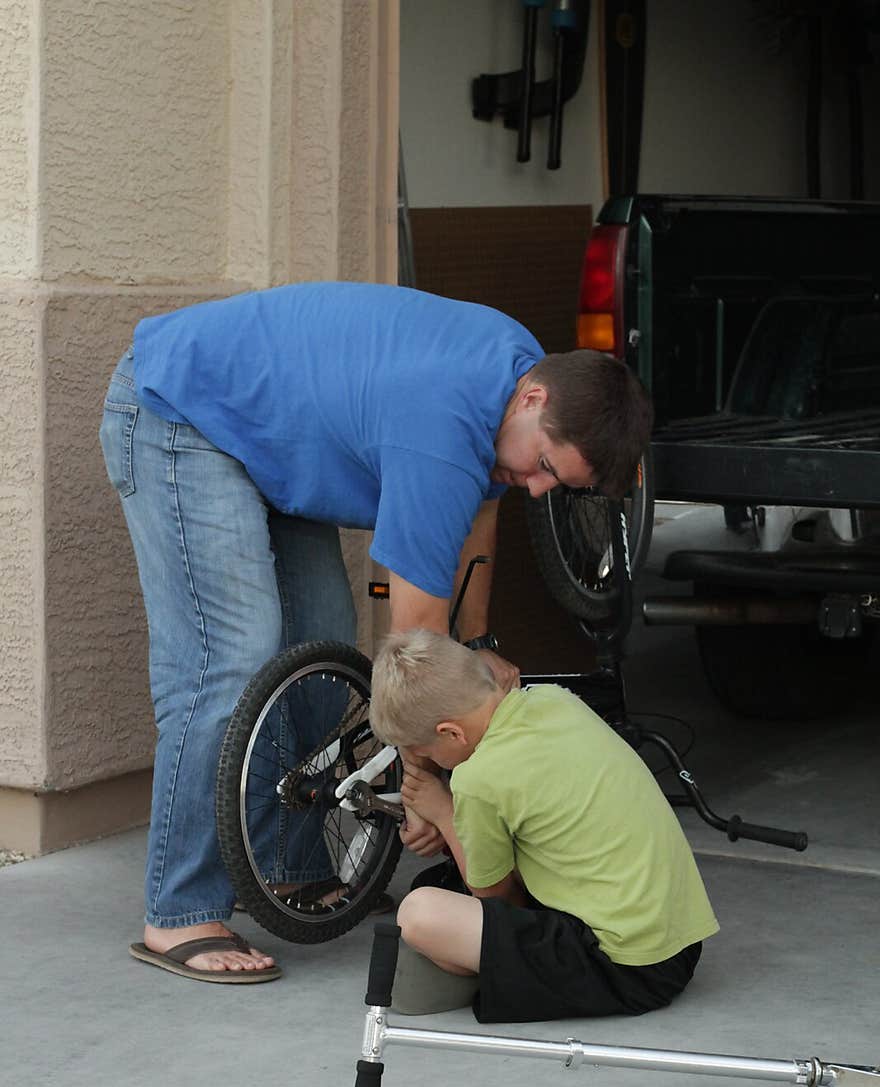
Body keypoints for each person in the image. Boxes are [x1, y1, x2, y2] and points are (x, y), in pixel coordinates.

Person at [99, 280, 653, 983]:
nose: (538, 489)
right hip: (183, 414)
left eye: (556, 484)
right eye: (544, 467)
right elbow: (415, 648)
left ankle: (287, 866)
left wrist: (478, 647)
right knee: (230, 657)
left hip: (266, 438)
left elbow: (477, 522)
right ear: (535, 402)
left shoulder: (515, 377)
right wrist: (427, 782)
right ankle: (177, 909)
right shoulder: (446, 424)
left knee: (319, 640)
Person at [369, 630, 719, 1023]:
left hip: (626, 969)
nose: (429, 761)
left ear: (452, 732)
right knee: (445, 882)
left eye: (427, 753)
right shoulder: (554, 699)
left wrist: (445, 813)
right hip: (680, 945)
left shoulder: (477, 780)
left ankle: (502, 977)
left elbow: (496, 900)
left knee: (419, 912)